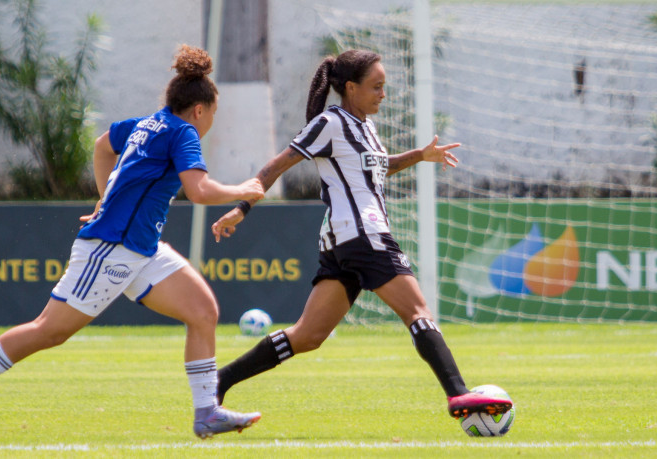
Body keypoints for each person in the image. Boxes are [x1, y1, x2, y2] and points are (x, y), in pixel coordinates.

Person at [0, 44, 264, 439]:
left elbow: (101, 146)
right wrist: (242, 190)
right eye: (214, 112)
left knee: (202, 312)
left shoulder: (148, 123)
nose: (213, 119)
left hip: (141, 248)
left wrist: (104, 196)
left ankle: (207, 412)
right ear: (200, 110)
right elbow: (199, 192)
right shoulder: (184, 133)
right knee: (50, 330)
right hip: (111, 247)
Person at [210, 49, 513, 421]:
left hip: (342, 242)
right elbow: (277, 165)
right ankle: (458, 395)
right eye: (376, 86)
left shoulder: (365, 125)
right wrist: (242, 208)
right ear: (350, 87)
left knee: (307, 336)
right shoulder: (330, 123)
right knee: (417, 311)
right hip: (363, 235)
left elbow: (377, 169)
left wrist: (419, 155)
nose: (383, 93)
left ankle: (218, 381)